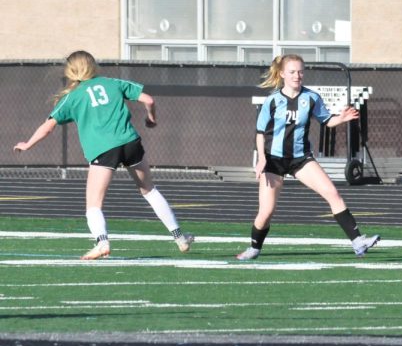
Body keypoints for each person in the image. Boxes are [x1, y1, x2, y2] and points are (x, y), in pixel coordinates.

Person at [14, 50, 194, 260]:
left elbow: (48, 127)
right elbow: (149, 100)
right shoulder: (112, 82)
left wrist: (27, 144)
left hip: (103, 150)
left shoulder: (72, 97)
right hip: (130, 142)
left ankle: (102, 242)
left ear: (71, 71)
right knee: (149, 191)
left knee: (93, 203)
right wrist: (151, 119)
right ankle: (180, 237)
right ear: (93, 66)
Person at [236, 54, 379, 260]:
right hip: (274, 161)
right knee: (266, 212)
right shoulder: (272, 101)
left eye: (301, 71)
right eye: (292, 72)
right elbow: (260, 132)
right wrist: (262, 159)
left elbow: (327, 121)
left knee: (332, 192)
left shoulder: (311, 98)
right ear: (283, 74)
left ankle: (358, 242)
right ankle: (254, 248)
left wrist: (342, 118)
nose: (297, 76)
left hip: (301, 159)